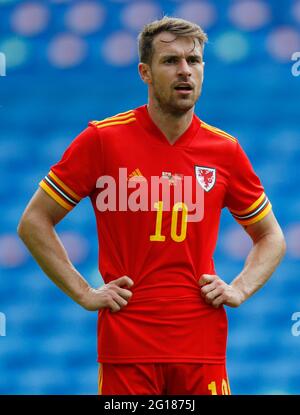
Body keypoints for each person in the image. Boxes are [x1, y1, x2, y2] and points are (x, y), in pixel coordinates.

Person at [18, 16, 286, 395]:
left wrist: (239, 289)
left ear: (203, 70)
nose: (184, 71)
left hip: (201, 344)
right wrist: (83, 292)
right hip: (126, 346)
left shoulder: (225, 151)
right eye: (170, 61)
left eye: (193, 61)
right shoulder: (102, 140)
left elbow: (272, 236)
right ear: (145, 72)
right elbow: (34, 221)